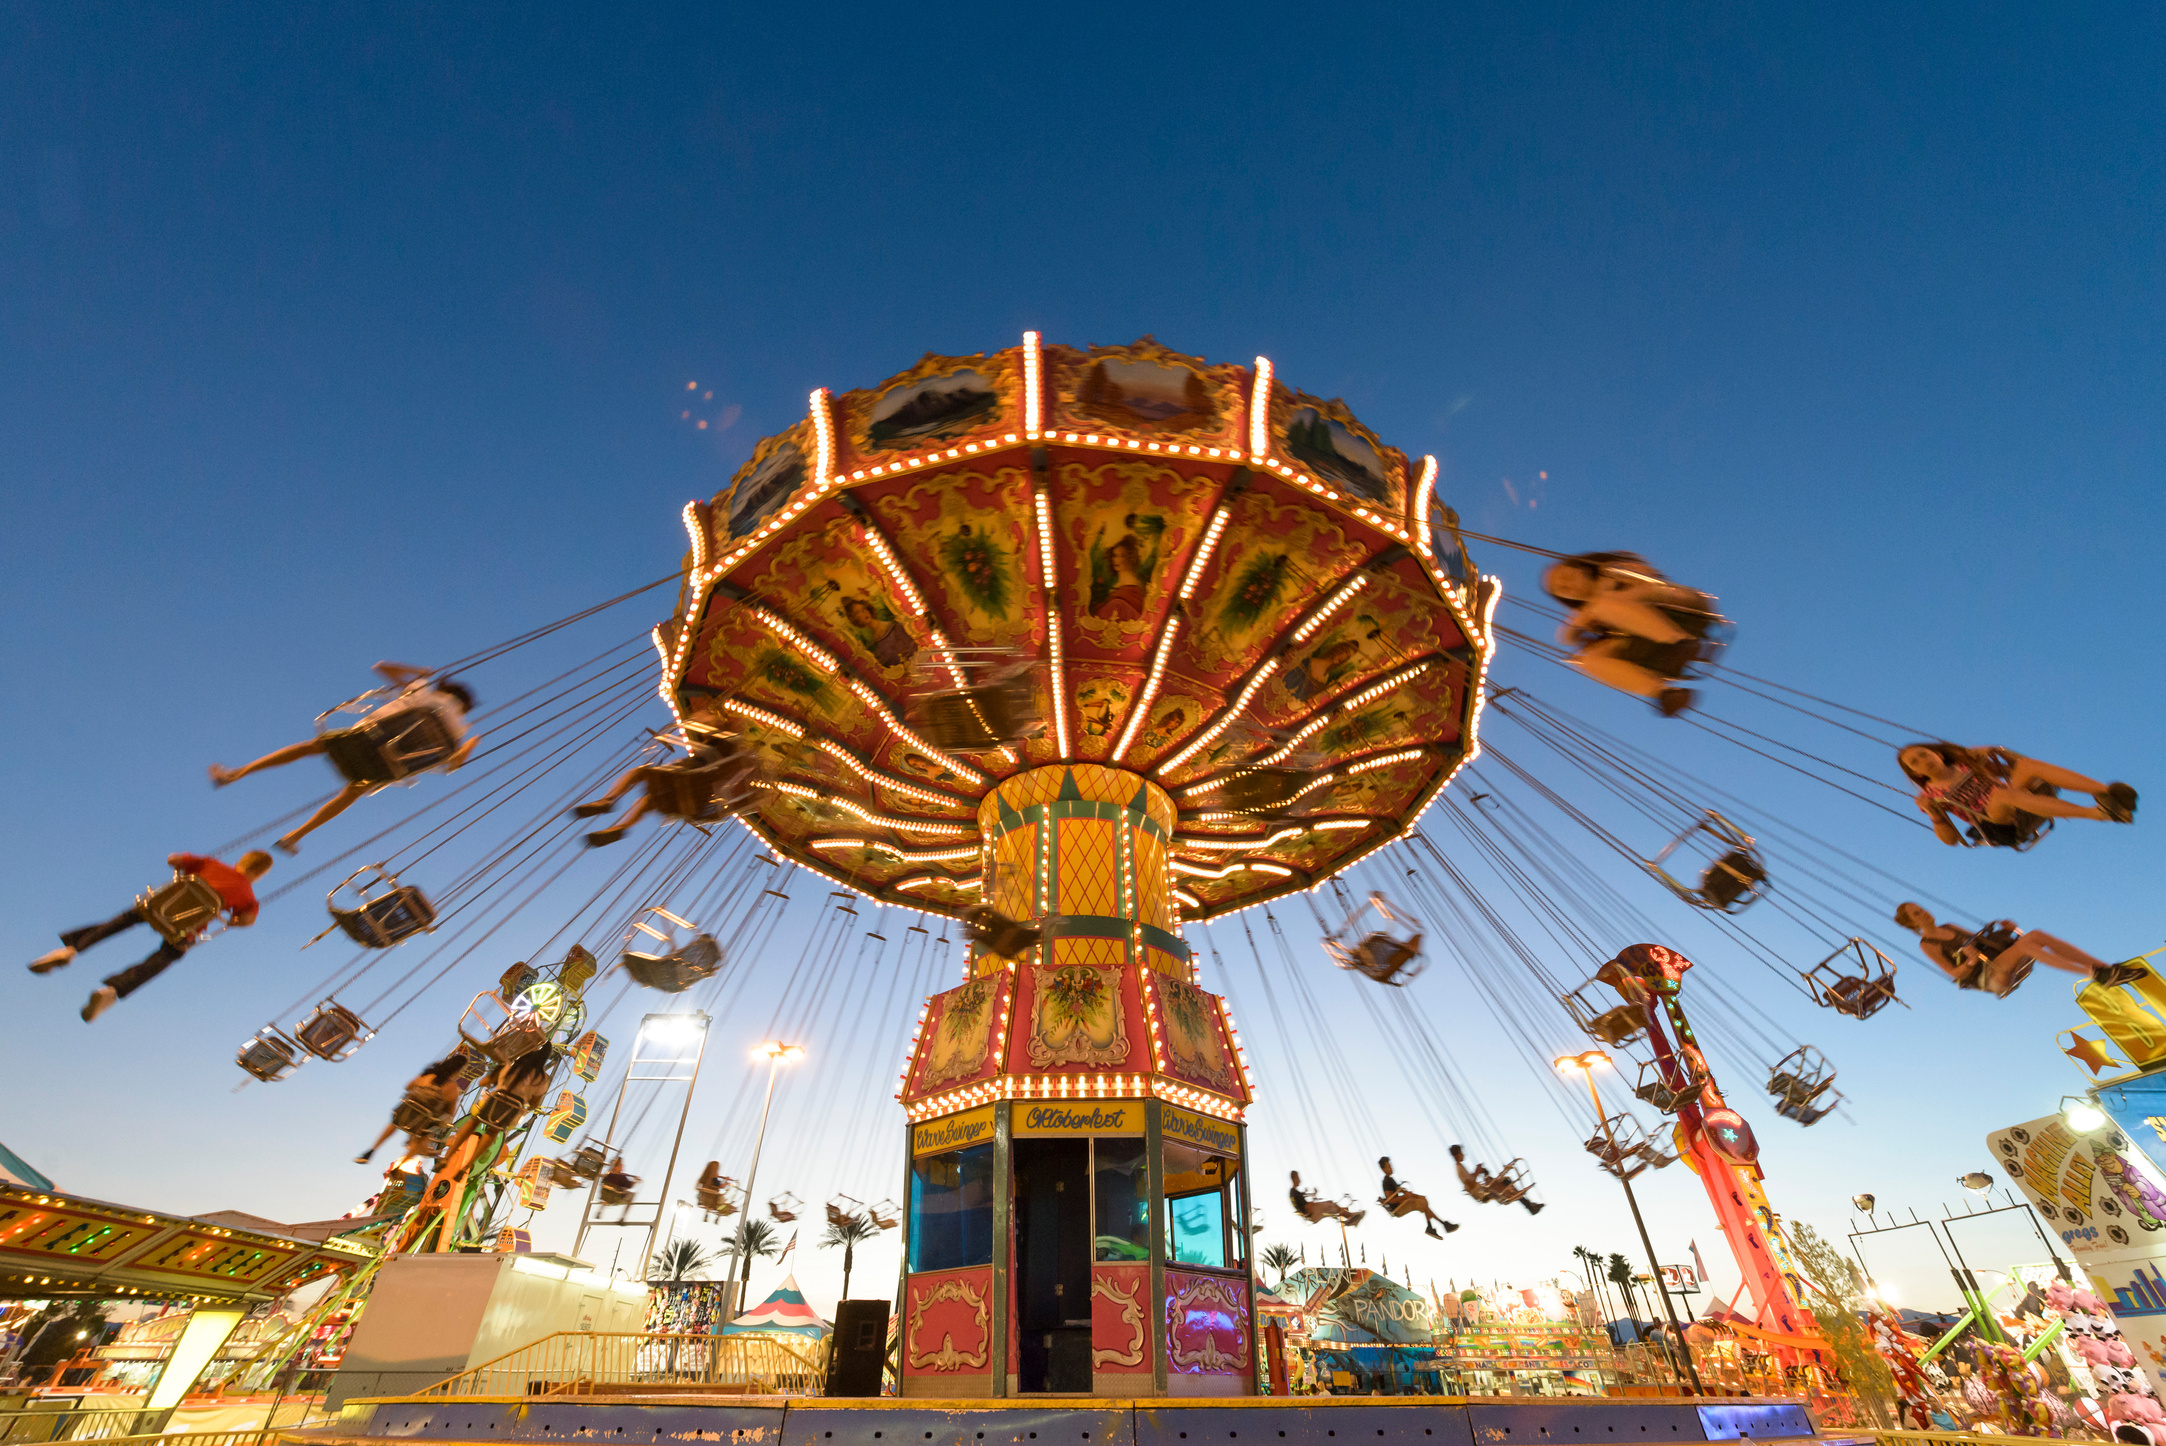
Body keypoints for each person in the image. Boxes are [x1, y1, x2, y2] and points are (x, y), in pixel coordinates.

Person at [209, 662, 479, 854]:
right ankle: (295, 836)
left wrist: (420, 672)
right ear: (464, 708)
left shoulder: (423, 691)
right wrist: (471, 743)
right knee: (354, 791)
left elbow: (381, 667)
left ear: (445, 689)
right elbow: (452, 765)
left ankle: (234, 774)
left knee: (309, 748)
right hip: (382, 768)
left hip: (360, 741)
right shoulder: (459, 730)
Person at [30, 850, 273, 1022]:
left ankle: (71, 950)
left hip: (156, 908)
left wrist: (187, 865)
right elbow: (247, 921)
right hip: (183, 930)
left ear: (242, 860)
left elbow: (173, 859)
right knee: (169, 955)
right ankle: (112, 992)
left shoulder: (212, 864)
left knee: (121, 921)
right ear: (260, 874)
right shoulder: (248, 897)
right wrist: (235, 920)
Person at [1542, 552, 1724, 717]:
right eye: (1562, 590)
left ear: (1582, 569)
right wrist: (1583, 623)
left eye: (1566, 577)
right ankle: (1664, 693)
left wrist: (1596, 610)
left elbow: (1650, 585)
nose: (1567, 585)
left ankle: (1677, 641)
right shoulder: (1589, 613)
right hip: (1649, 641)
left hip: (1680, 607)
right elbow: (1565, 637)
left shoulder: (1613, 572)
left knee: (1603, 606)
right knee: (1588, 660)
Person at [1897, 742, 2136, 848]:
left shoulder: (1965, 765)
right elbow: (1950, 841)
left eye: (1923, 753)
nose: (1922, 760)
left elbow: (2015, 771)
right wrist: (1933, 813)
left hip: (2020, 802)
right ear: (1915, 773)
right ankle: (2098, 814)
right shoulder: (1931, 795)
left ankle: (2108, 793)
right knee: (2003, 796)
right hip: (1996, 825)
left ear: (1938, 754)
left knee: (2026, 767)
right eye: (1914, 762)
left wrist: (1993, 752)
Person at [1894, 902, 2144, 996]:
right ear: (1912, 924)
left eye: (1921, 908)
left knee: (2036, 935)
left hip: (1998, 961)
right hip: (1988, 977)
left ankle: (2105, 967)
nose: (1924, 913)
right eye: (1917, 914)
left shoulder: (1949, 926)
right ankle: (2095, 974)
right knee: (2027, 945)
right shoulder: (1928, 945)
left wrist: (2006, 930)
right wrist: (1969, 961)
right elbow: (1953, 973)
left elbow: (1982, 941)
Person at [570, 736, 757, 848]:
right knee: (649, 801)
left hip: (689, 781)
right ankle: (620, 827)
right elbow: (728, 803)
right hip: (691, 802)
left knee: (640, 773)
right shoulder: (721, 761)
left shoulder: (716, 754)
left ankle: (609, 801)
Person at [355, 1053, 470, 1164]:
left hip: (404, 1113)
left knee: (395, 1122)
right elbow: (450, 1112)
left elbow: (408, 1086)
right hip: (422, 1123)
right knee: (428, 1133)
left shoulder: (428, 1074)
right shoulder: (452, 1087)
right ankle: (403, 1162)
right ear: (458, 1071)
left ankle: (372, 1150)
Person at [1376, 1155, 1458, 1238]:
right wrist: (1405, 1197)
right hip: (1398, 1209)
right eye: (1388, 1166)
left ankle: (1434, 1226)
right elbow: (1391, 1200)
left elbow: (1398, 1190)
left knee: (1423, 1199)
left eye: (1391, 1166)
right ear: (1383, 1169)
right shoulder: (1386, 1182)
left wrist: (1407, 1193)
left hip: (1401, 1203)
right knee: (1423, 1203)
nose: (1391, 1168)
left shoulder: (1390, 1179)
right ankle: (1441, 1225)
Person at [1450, 1145, 1544, 1214]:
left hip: (1481, 1190)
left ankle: (1529, 1206)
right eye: (1461, 1153)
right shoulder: (1459, 1168)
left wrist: (1480, 1171)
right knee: (1506, 1183)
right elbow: (1470, 1183)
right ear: (1457, 1154)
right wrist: (1477, 1171)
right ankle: (1530, 1206)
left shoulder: (1460, 1167)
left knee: (1505, 1182)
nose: (1463, 1154)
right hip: (1481, 1193)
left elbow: (1470, 1179)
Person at [1288, 1170, 1365, 1226]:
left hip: (1309, 1216)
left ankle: (1350, 1216)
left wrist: (1310, 1195)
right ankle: (1351, 1216)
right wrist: (1314, 1198)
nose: (1300, 1180)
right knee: (1331, 1204)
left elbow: (1299, 1205)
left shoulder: (1292, 1193)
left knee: (1333, 1208)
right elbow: (1306, 1207)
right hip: (1312, 1213)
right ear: (1294, 1178)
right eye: (1298, 1178)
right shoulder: (1295, 1193)